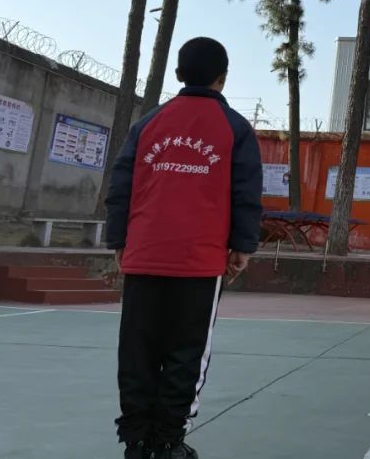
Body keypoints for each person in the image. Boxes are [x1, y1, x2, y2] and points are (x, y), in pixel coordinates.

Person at [105, 37, 263, 459]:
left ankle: (136, 440)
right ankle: (168, 441)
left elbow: (121, 186)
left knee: (137, 350)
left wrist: (118, 240)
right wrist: (242, 246)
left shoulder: (148, 124)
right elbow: (246, 193)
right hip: (199, 263)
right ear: (222, 78)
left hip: (144, 255)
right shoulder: (236, 128)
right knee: (187, 354)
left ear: (178, 74)